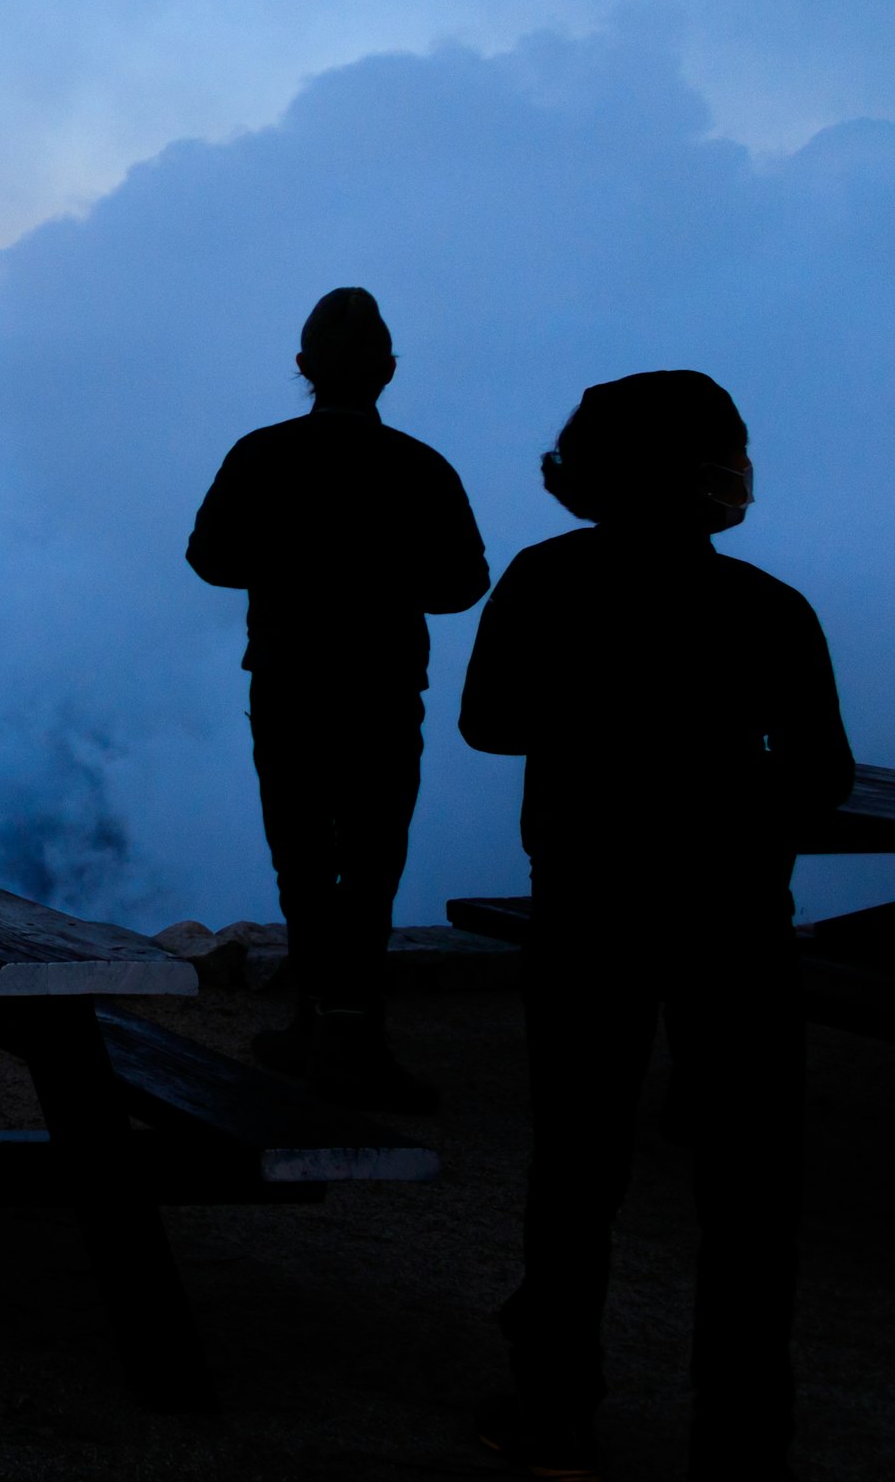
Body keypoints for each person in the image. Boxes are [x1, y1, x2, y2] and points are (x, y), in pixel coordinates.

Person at [460, 371, 850, 1482]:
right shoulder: (770, 608)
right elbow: (818, 773)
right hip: (736, 915)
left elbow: (490, 723)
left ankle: (555, 1410)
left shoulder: (546, 579)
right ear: (705, 475)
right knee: (751, 1185)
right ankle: (740, 1437)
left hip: (588, 901)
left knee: (577, 1162)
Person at [186, 287, 490, 1109]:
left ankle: (314, 1022)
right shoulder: (421, 466)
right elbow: (463, 584)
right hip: (385, 686)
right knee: (371, 860)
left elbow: (210, 559)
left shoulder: (261, 454)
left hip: (287, 679)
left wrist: (290, 566)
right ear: (388, 372)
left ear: (302, 369)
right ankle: (358, 1032)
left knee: (304, 856)